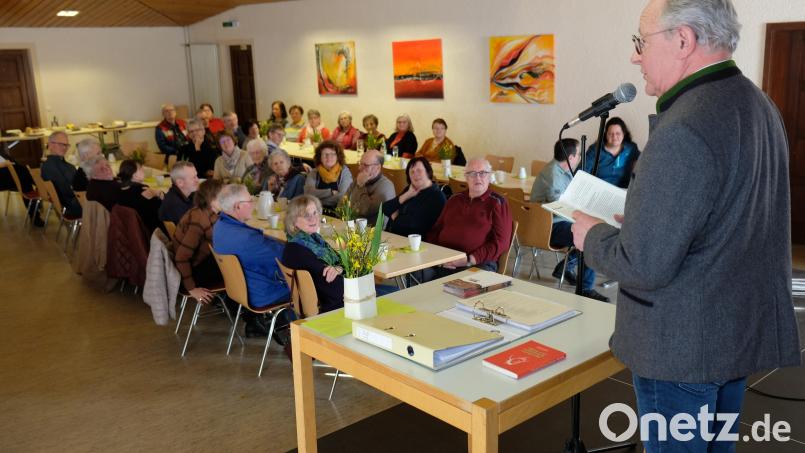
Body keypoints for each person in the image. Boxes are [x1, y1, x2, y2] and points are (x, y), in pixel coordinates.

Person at [570, 1, 801, 451]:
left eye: (641, 41)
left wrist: (590, 236)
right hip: (732, 333)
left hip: (681, 347)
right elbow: (728, 218)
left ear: (682, 41)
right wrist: (646, 216)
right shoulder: (758, 104)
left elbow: (644, 265)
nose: (635, 56)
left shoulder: (685, 125)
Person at [531, 139, 608, 301]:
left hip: (555, 222)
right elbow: (561, 208)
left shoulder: (560, 170)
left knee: (587, 231)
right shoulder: (553, 175)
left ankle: (565, 267)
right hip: (549, 227)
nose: (580, 157)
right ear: (571, 157)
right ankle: (584, 288)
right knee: (590, 237)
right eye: (579, 154)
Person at [212, 184, 289, 335]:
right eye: (250, 201)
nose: (253, 205)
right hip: (264, 292)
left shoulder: (220, 226)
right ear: (238, 207)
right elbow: (287, 256)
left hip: (241, 289)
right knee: (313, 280)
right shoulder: (247, 239)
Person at [426, 158, 512, 277]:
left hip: (477, 263)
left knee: (460, 287)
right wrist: (438, 257)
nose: (478, 178)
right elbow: (435, 231)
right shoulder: (454, 199)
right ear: (466, 177)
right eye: (472, 174)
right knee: (412, 275)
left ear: (489, 176)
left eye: (482, 173)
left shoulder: (497, 202)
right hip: (444, 261)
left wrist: (469, 260)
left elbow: (501, 243)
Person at [173, 179, 224, 304]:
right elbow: (181, 257)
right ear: (212, 199)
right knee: (240, 266)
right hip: (195, 273)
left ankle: (228, 302)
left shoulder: (205, 212)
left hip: (200, 263)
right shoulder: (199, 220)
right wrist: (191, 288)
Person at [383, 157, 446, 237]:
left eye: (419, 171)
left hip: (417, 244)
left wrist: (395, 217)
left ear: (428, 172)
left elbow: (413, 225)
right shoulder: (411, 189)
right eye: (412, 172)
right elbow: (385, 208)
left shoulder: (437, 196)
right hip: (396, 237)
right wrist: (407, 195)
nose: (415, 174)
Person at [583, 117, 640, 188]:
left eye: (618, 133)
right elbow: (582, 173)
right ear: (605, 134)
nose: (614, 137)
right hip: (599, 191)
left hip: (624, 192)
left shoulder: (631, 148)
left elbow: (641, 169)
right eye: (610, 134)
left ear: (624, 133)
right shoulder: (595, 150)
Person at [348, 149, 395, 224]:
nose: (359, 168)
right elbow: (341, 204)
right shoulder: (359, 179)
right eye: (360, 163)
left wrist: (360, 186)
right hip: (350, 225)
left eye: (365, 165)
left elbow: (365, 210)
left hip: (371, 232)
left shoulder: (386, 186)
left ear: (378, 167)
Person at [41, 131, 81, 218]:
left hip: (71, 202)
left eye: (66, 145)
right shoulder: (51, 167)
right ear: (50, 145)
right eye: (61, 144)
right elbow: (67, 192)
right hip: (72, 206)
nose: (64, 148)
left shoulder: (55, 164)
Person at [117, 160, 164, 234]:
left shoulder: (119, 189)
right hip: (150, 230)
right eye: (140, 168)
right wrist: (159, 193)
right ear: (134, 175)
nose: (143, 169)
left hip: (130, 230)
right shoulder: (143, 190)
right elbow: (162, 208)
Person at [304, 140, 353, 212]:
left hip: (337, 212)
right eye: (325, 154)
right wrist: (330, 192)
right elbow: (308, 193)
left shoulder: (345, 172)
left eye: (333, 154)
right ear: (319, 157)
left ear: (338, 156)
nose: (329, 157)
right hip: (316, 211)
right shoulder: (314, 172)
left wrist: (318, 198)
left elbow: (343, 197)